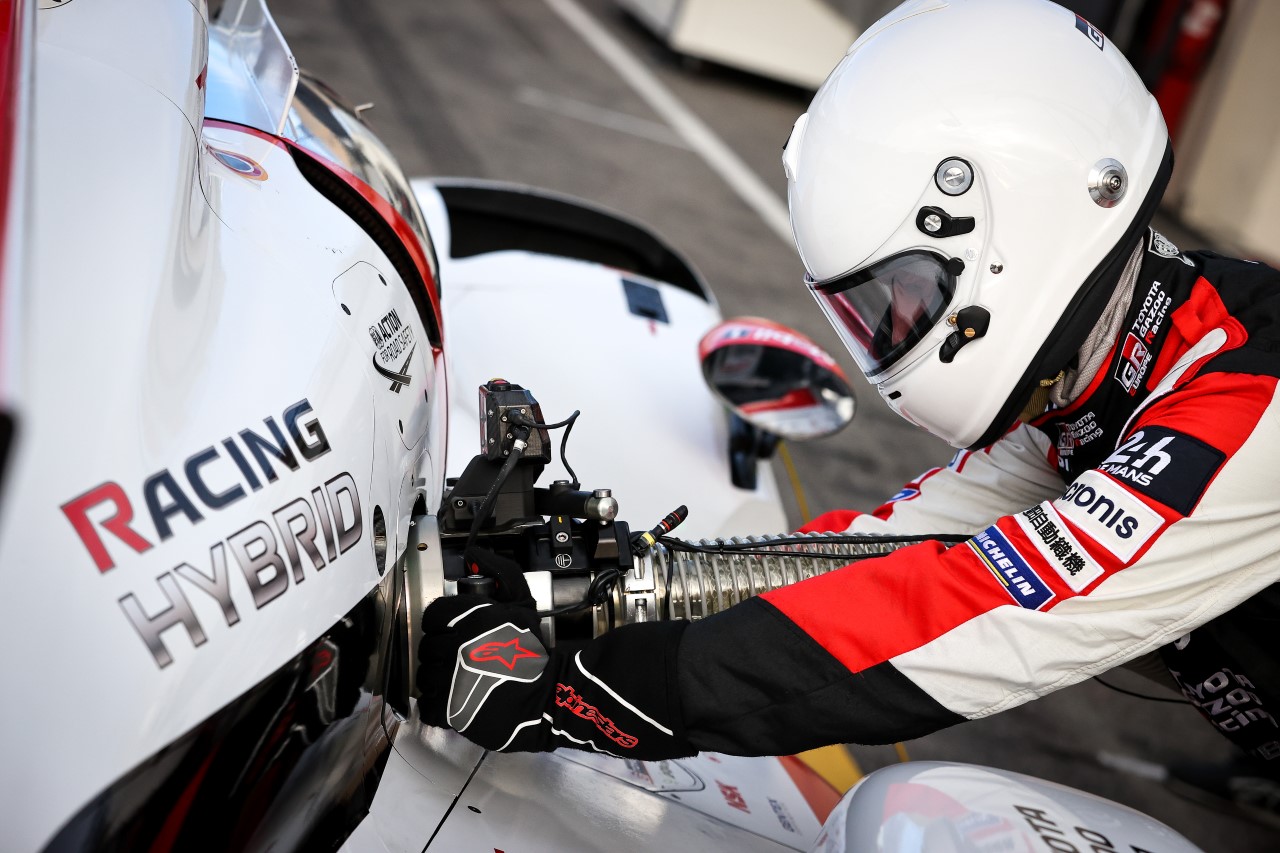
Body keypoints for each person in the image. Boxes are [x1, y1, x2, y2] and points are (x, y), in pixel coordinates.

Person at [418, 0, 1280, 821]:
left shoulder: (1248, 400)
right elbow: (873, 557)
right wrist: (603, 585)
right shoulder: (1102, 384)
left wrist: (587, 694)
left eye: (901, 295)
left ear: (1016, 234)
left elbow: (972, 617)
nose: (888, 328)